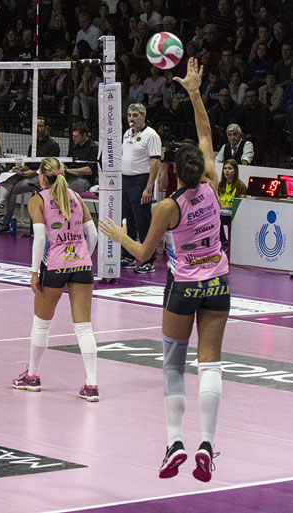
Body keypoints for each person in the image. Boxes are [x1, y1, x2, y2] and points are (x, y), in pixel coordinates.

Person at [101, 57, 228, 483]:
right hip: (218, 284)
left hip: (184, 288)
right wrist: (194, 92)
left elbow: (142, 255)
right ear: (200, 168)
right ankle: (207, 444)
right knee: (211, 365)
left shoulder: (167, 208)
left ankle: (175, 442)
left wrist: (119, 236)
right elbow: (206, 133)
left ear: (173, 170)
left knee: (174, 367)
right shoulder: (212, 183)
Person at [12, 157, 99, 401]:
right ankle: (92, 384)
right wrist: (83, 257)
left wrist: (34, 272)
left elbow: (40, 238)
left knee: (42, 323)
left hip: (54, 266)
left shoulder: (38, 200)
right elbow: (92, 234)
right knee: (84, 328)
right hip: (81, 265)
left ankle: (32, 376)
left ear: (41, 176)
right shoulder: (77, 196)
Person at [0, 117, 60, 233]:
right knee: (9, 178)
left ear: (47, 128)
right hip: (29, 174)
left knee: (13, 190)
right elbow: (29, 164)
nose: (37, 128)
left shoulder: (53, 145)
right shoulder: (33, 144)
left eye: (40, 126)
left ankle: (5, 222)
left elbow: (51, 167)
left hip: (42, 177)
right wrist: (21, 168)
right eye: (36, 126)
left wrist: (34, 172)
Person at [120, 103, 162, 273]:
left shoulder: (151, 135)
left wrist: (149, 187)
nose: (131, 118)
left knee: (142, 220)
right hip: (126, 180)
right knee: (128, 220)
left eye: (135, 115)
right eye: (129, 115)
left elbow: (155, 162)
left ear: (144, 116)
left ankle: (148, 259)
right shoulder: (127, 133)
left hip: (141, 181)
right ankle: (129, 256)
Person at [217, 159, 246, 250]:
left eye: (230, 168)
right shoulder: (221, 184)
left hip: (233, 214)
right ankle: (219, 242)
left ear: (235, 171)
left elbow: (239, 205)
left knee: (217, 218)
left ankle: (223, 242)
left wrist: (223, 207)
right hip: (221, 211)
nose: (227, 171)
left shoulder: (241, 186)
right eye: (225, 168)